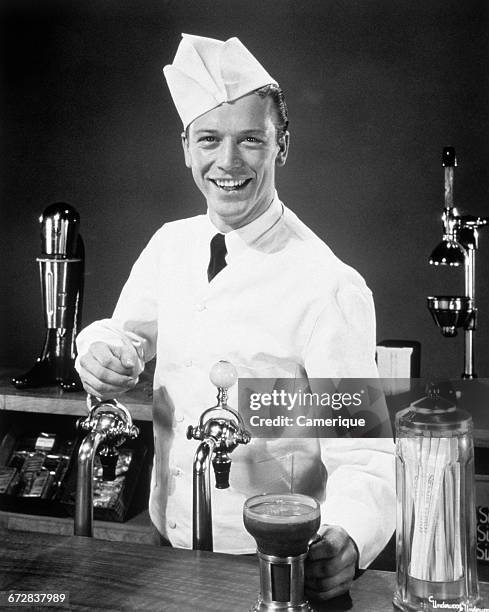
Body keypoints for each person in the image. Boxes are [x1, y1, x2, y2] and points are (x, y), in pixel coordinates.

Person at [75, 33, 395, 602]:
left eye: (251, 140)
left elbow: (366, 455)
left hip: (269, 563)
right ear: (186, 148)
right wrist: (98, 348)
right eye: (209, 139)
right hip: (164, 542)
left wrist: (346, 535)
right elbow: (125, 336)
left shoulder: (328, 285)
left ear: (282, 145)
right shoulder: (170, 245)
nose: (227, 162)